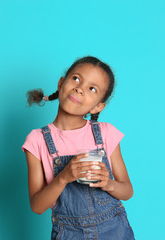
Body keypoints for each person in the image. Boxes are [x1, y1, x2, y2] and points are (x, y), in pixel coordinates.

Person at [21, 56, 135, 239]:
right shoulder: (37, 140)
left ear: (98, 107)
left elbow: (127, 191)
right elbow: (37, 206)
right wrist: (63, 177)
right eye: (76, 78)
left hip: (114, 230)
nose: (79, 89)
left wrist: (108, 183)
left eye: (92, 88)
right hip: (69, 233)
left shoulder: (106, 133)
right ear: (61, 83)